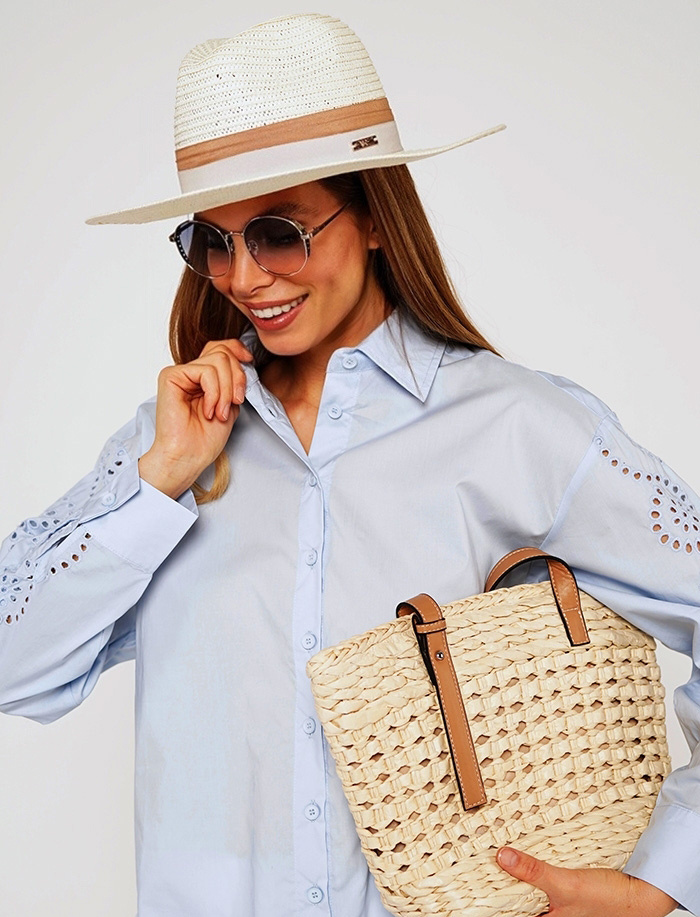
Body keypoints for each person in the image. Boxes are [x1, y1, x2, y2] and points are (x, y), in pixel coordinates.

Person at [0, 11, 697, 917]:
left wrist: (663, 880)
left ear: (371, 216)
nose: (243, 277)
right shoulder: (169, 446)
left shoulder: (520, 426)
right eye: (212, 240)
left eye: (278, 231)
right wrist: (158, 481)